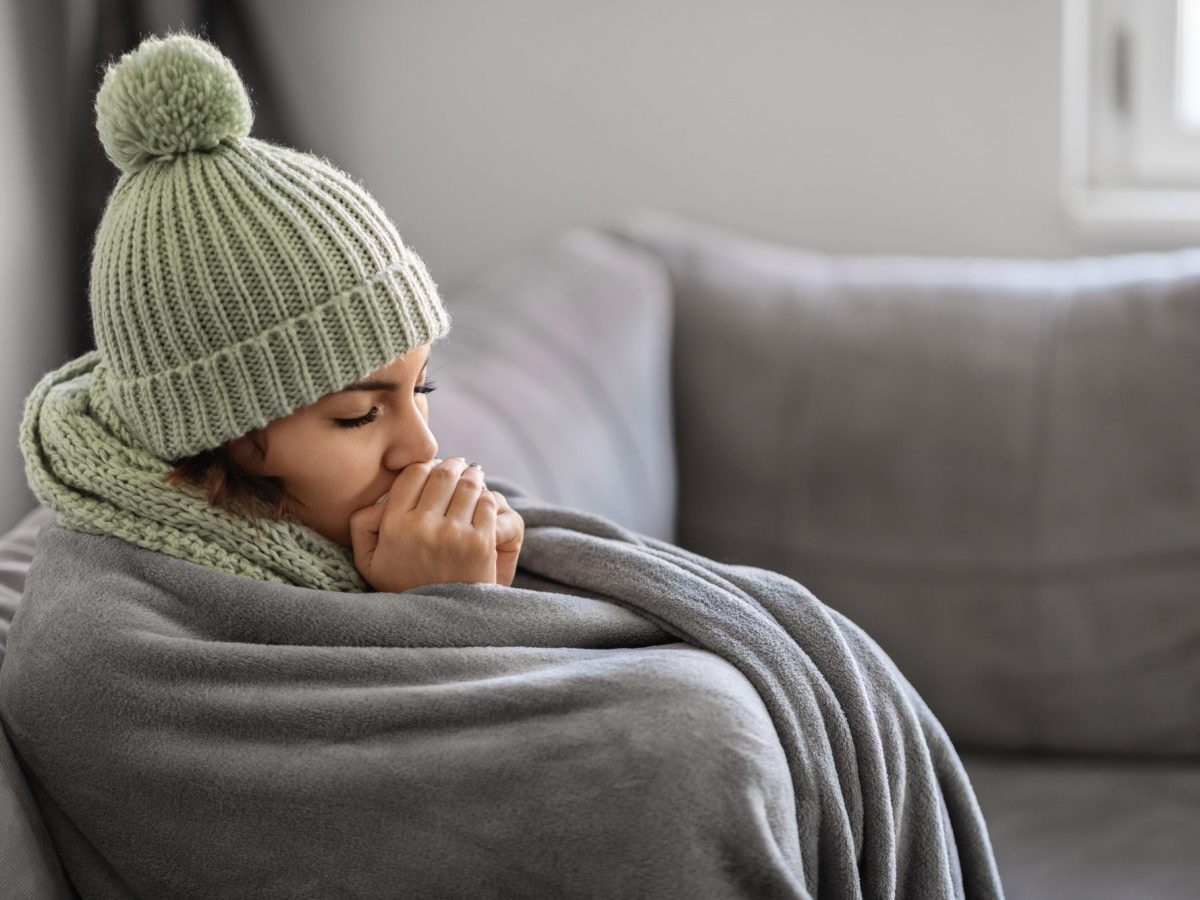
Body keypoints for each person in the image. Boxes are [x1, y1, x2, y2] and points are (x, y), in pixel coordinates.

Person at [2, 31, 1007, 900]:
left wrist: (435, 611)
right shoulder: (101, 648)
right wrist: (446, 624)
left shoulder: (313, 521)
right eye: (360, 412)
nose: (422, 448)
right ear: (213, 438)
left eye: (420, 390)